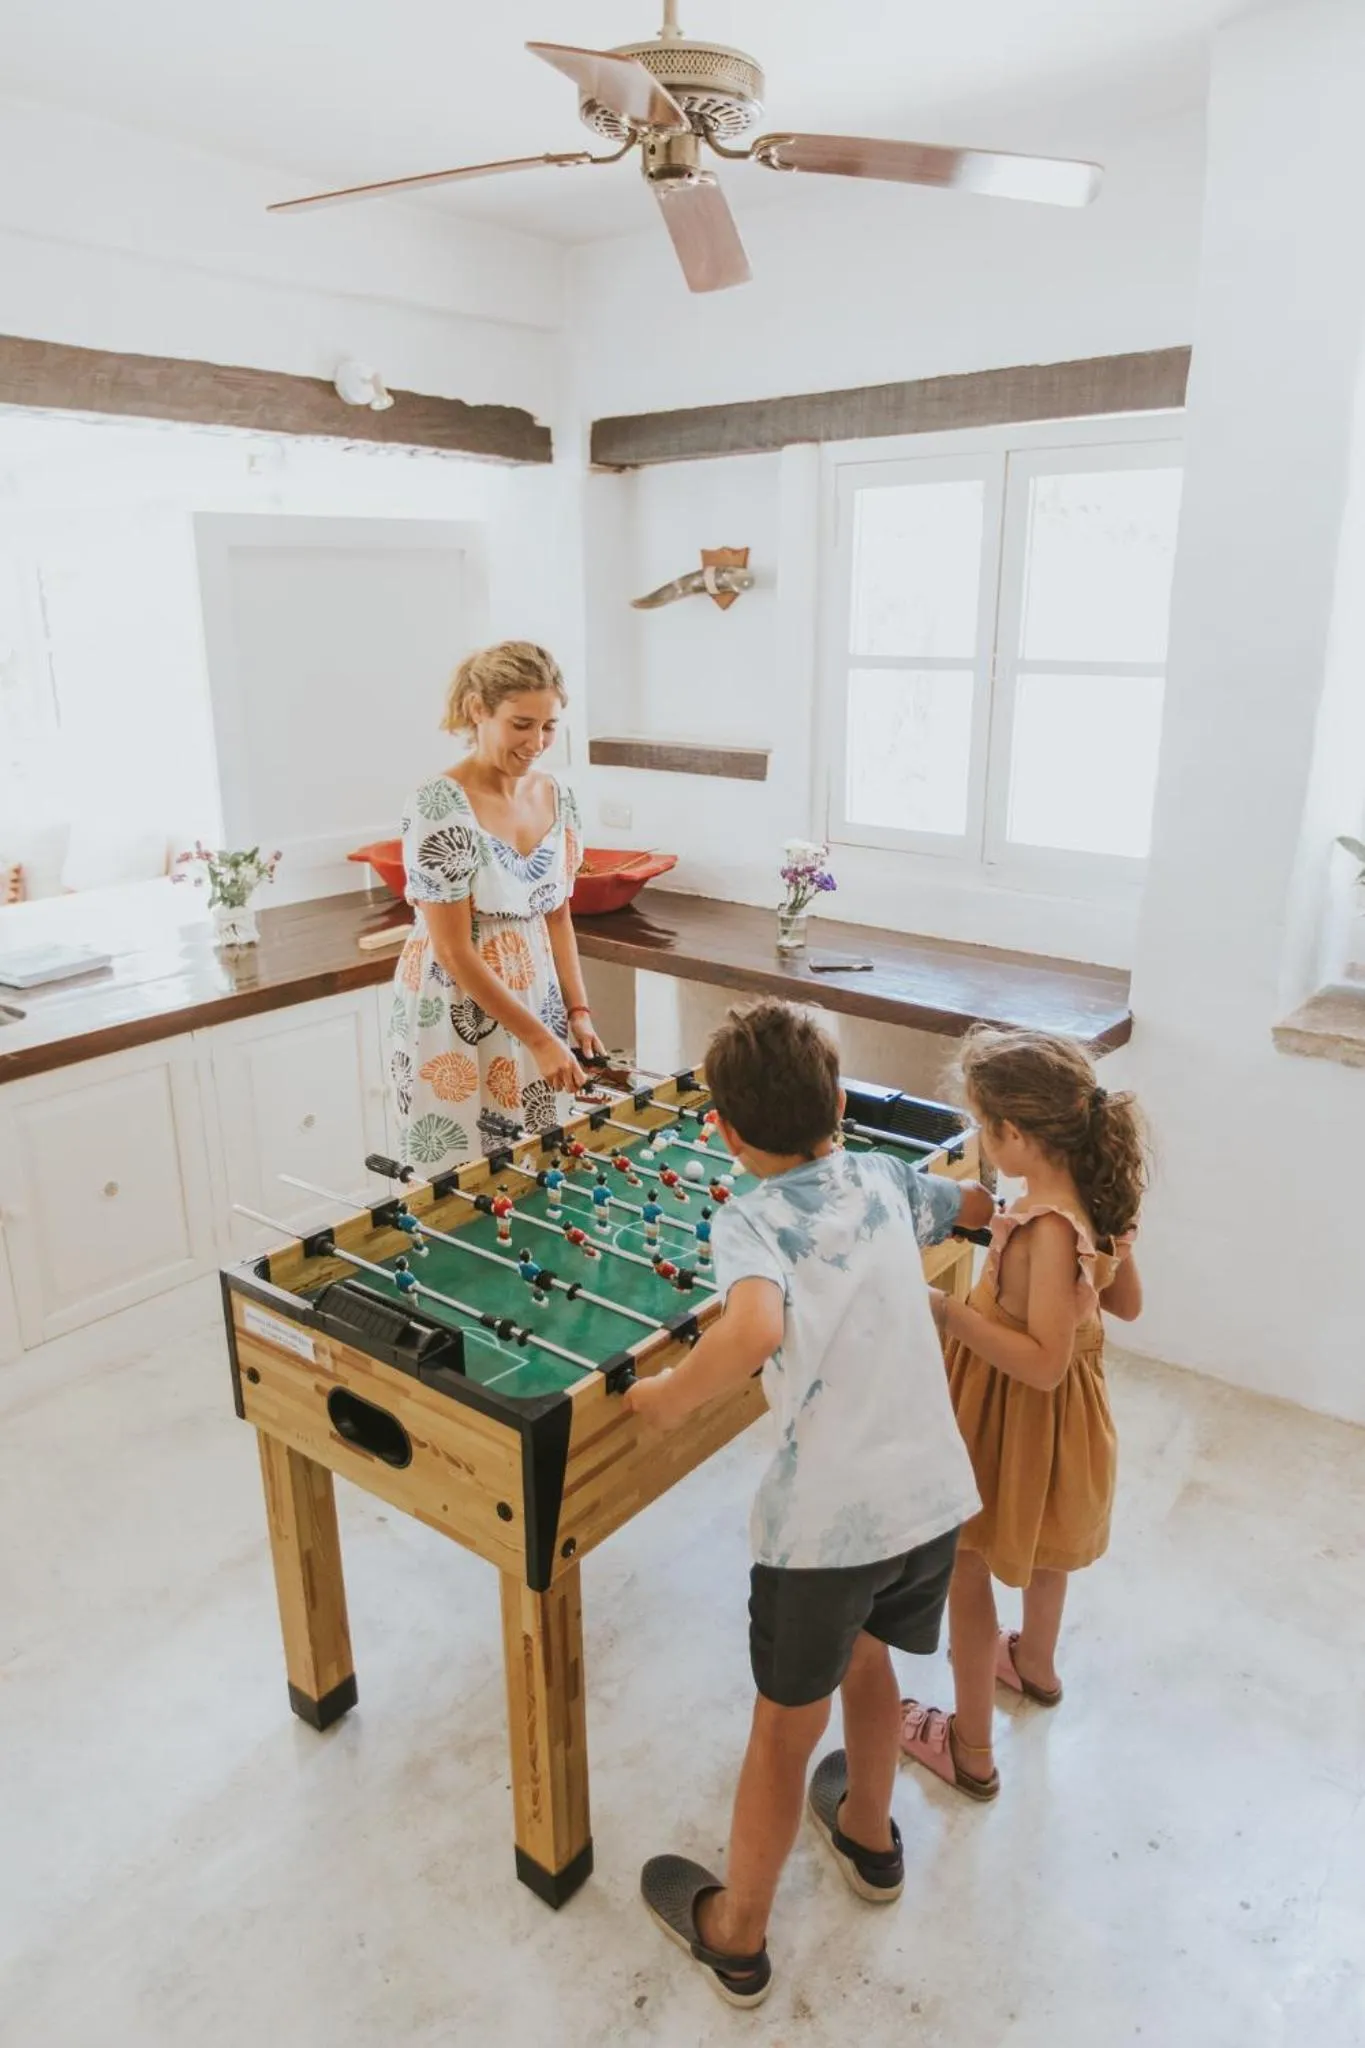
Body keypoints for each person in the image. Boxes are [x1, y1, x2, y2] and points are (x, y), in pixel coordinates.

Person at [626, 999, 995, 2009]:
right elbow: (962, 1206)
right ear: (838, 1101)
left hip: (825, 1528)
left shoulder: (745, 1215)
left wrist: (665, 1398)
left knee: (784, 1731)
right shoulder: (880, 1176)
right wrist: (1016, 1210)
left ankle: (738, 1933)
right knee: (872, 1661)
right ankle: (870, 1835)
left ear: (728, 1135)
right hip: (927, 1501)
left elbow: (749, 1330)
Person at [899, 1026, 1147, 1799]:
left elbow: (1039, 1363)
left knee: (965, 1568)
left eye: (981, 1126)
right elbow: (1126, 1305)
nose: (979, 1139)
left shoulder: (1045, 1226)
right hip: (1067, 1425)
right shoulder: (1093, 1196)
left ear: (1015, 1134)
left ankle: (969, 1747)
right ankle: (1032, 1662)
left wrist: (947, 1312)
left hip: (1008, 1416)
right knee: (1044, 1550)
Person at [386, 641, 605, 1174]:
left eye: (549, 726)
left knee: (541, 1165)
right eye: (521, 724)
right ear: (477, 710)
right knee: (463, 1180)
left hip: (538, 995)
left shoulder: (559, 796)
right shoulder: (439, 803)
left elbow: (557, 917)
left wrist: (577, 1014)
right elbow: (454, 949)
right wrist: (539, 1039)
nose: (537, 742)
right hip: (456, 1004)